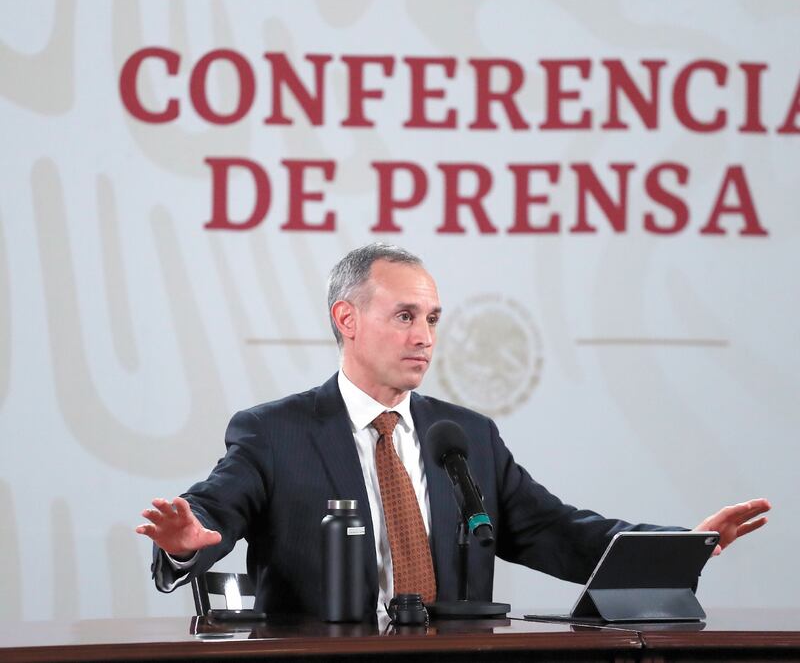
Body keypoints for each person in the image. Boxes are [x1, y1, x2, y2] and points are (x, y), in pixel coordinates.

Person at [136, 243, 770, 617]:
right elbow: (212, 514)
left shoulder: (464, 436)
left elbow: (555, 531)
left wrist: (680, 545)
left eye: (433, 319)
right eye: (405, 316)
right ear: (347, 319)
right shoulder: (274, 432)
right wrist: (187, 540)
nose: (424, 337)